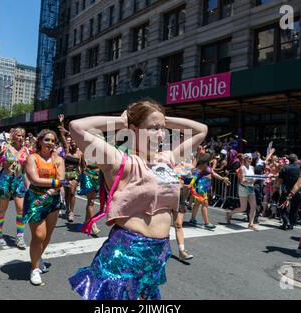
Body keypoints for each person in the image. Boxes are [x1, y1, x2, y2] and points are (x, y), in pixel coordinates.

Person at [69, 99, 207, 300]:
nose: (160, 134)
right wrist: (121, 122)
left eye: (162, 129)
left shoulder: (167, 158)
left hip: (158, 253)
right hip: (126, 251)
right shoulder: (120, 161)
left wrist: (161, 118)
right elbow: (77, 127)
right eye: (153, 128)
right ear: (133, 130)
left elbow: (202, 130)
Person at [23, 129, 66, 285]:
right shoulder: (32, 158)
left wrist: (50, 191)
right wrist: (54, 184)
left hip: (52, 200)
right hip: (35, 199)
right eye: (47, 140)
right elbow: (34, 179)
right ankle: (34, 269)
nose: (50, 143)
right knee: (39, 235)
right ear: (40, 141)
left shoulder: (59, 160)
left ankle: (37, 257)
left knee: (47, 235)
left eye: (53, 141)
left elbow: (62, 179)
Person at [0, 128, 29, 249]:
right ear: (13, 136)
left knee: (21, 210)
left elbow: (27, 170)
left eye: (22, 135)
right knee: (1, 210)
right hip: (4, 181)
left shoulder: (26, 150)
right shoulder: (4, 148)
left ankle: (19, 237)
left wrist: (29, 185)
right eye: (18, 135)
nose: (20, 138)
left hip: (18, 181)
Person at [189, 153, 230, 229]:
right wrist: (191, 183)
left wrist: (223, 179)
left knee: (197, 203)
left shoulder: (207, 165)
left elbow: (213, 174)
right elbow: (196, 174)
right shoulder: (203, 165)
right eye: (213, 156)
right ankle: (206, 223)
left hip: (203, 186)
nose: (214, 158)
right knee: (205, 204)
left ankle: (192, 219)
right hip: (201, 186)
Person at [226, 153, 259, 230]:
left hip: (250, 188)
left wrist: (253, 181)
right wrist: (251, 181)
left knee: (253, 206)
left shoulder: (252, 168)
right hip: (243, 188)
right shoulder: (242, 168)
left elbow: (252, 179)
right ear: (245, 159)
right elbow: (242, 181)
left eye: (251, 158)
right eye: (249, 158)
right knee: (243, 208)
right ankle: (229, 213)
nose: (251, 160)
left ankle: (251, 224)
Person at [276, 154, 301, 230]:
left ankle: (285, 221)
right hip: (297, 191)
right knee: (294, 208)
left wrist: (276, 187)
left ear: (288, 160)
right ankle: (291, 224)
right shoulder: (300, 168)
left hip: (286, 190)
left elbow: (279, 180)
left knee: (281, 206)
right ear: (296, 159)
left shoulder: (285, 168)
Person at [64, 136, 83, 222]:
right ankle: (67, 209)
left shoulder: (80, 153)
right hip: (66, 174)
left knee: (72, 192)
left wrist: (83, 176)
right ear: (70, 143)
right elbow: (63, 139)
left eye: (76, 144)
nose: (74, 145)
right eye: (72, 143)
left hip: (75, 174)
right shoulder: (67, 150)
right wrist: (62, 132)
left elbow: (83, 166)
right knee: (67, 193)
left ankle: (71, 212)